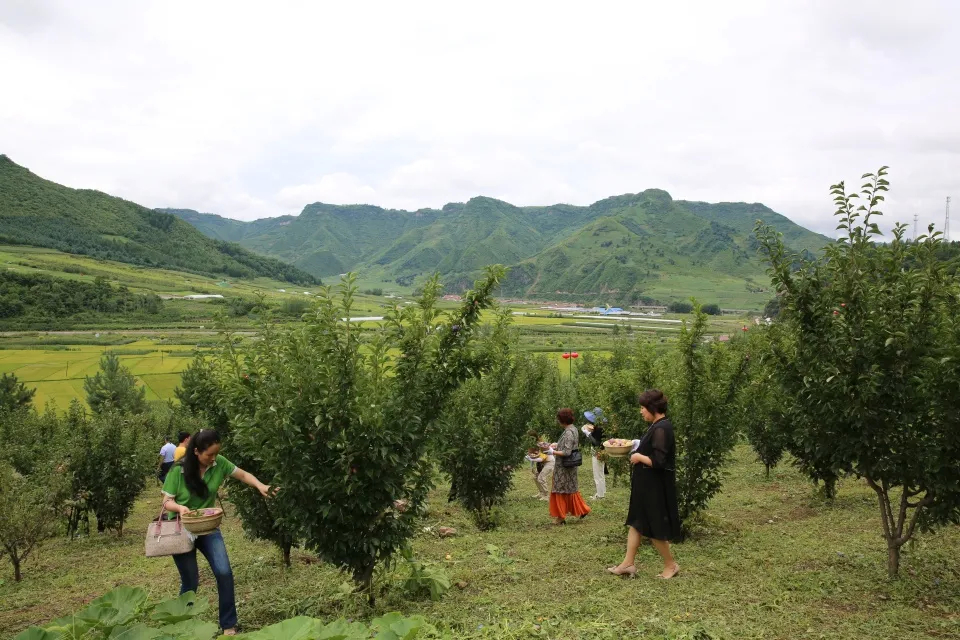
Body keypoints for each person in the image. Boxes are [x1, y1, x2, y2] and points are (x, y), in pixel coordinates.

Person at [161, 430, 276, 635]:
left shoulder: (218, 463)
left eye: (216, 454)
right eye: (209, 455)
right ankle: (180, 625)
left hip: (207, 527)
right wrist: (180, 508)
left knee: (224, 572)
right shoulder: (178, 470)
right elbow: (167, 502)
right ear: (196, 452)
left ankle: (228, 624)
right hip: (182, 529)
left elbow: (242, 474)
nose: (213, 458)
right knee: (190, 580)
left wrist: (260, 485)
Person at [608, 389, 681, 579]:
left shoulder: (662, 428)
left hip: (654, 487)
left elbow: (659, 461)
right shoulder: (656, 426)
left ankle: (671, 565)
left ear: (652, 407)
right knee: (636, 523)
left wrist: (639, 456)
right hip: (645, 485)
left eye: (642, 408)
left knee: (654, 528)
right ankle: (628, 563)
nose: (641, 411)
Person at [549, 408, 591, 524]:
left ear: (562, 420)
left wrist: (552, 452)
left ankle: (560, 517)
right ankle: (582, 510)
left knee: (560, 490)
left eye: (558, 419)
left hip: (564, 467)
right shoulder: (573, 429)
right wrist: (556, 445)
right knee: (571, 489)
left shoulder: (568, 432)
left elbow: (567, 452)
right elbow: (570, 445)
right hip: (570, 466)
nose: (558, 421)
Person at [582, 408, 607, 500]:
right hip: (602, 450)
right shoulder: (601, 427)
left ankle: (600, 495)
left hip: (598, 451)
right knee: (600, 473)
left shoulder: (599, 429)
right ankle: (602, 492)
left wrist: (588, 434)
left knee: (597, 473)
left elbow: (596, 443)